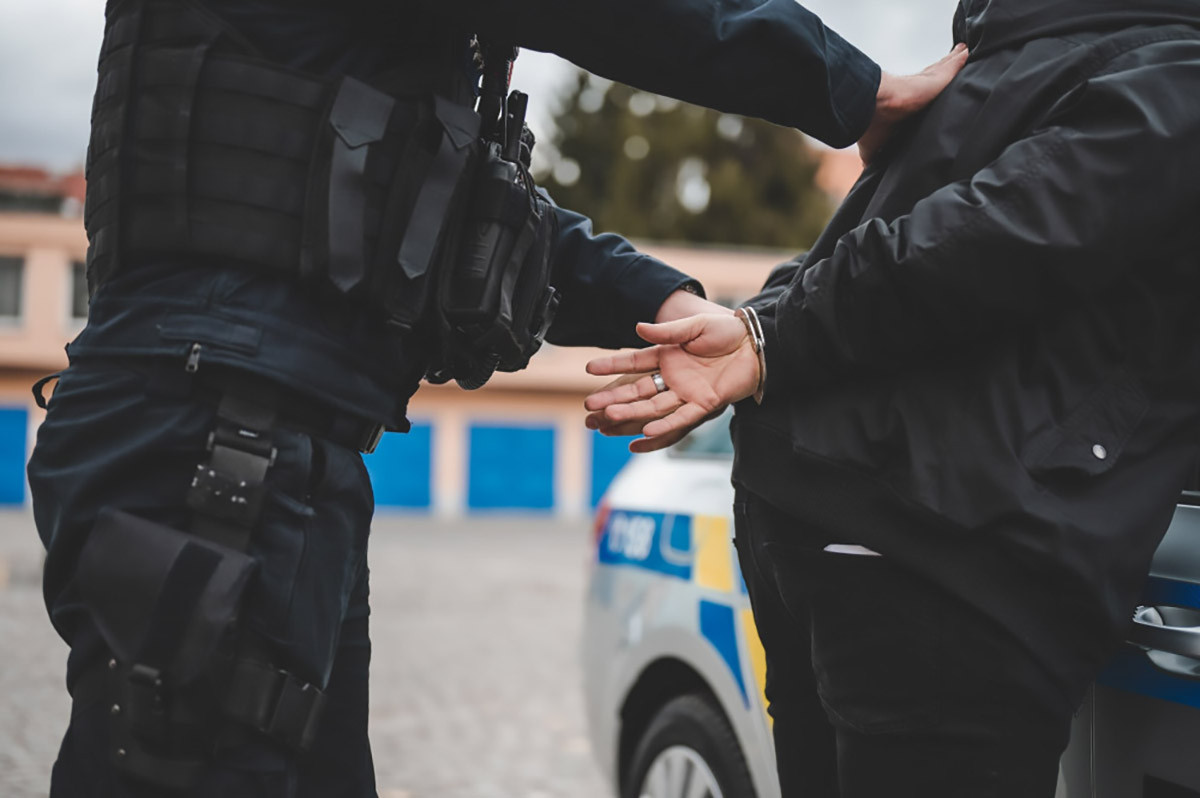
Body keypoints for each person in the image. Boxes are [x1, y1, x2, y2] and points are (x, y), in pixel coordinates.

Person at [26, 0, 965, 795]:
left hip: (246, 439)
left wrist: (671, 308)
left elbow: (458, 205)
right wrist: (855, 90)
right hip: (220, 443)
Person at [585, 0, 1200, 795]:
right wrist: (766, 336)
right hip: (949, 556)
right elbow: (985, 237)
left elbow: (887, 249)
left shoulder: (996, 61)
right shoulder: (1173, 75)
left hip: (808, 511)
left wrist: (766, 327)